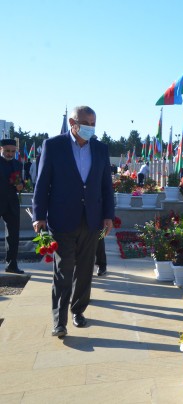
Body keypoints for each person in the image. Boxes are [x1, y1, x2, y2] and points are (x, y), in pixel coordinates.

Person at [32, 105, 115, 339]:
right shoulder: (53, 146)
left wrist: (108, 215)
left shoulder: (100, 149)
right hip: (61, 220)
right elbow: (42, 184)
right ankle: (60, 321)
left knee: (86, 269)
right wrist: (39, 216)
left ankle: (78, 310)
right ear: (72, 122)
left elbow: (106, 186)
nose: (90, 127)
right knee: (63, 269)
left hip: (92, 221)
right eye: (85, 123)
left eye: (93, 123)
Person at [1, 138, 25, 274]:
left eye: (13, 151)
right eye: (7, 151)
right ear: (1, 149)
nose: (10, 154)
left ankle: (12, 263)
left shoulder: (17, 164)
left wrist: (20, 185)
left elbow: (20, 182)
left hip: (12, 203)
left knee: (13, 234)